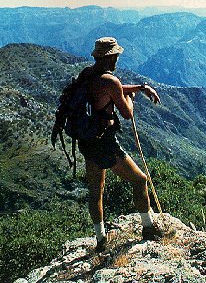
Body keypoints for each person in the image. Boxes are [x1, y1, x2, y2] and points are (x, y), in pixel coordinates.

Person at [78, 37, 163, 252]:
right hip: (105, 143)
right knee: (139, 179)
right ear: (109, 57)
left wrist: (141, 87)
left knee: (95, 192)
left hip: (87, 141)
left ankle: (100, 240)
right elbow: (126, 113)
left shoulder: (88, 74)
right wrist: (132, 98)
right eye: (115, 56)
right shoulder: (110, 81)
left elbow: (111, 88)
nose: (117, 59)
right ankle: (148, 228)